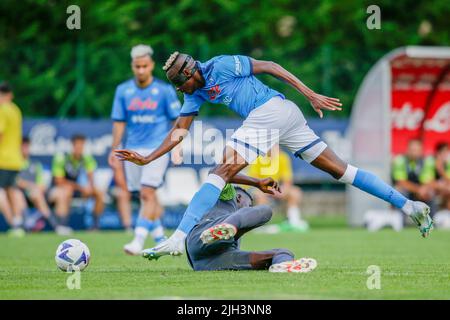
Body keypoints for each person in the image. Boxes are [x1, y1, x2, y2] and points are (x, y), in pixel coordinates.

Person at [116, 52, 433, 260]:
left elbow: (270, 67)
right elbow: (179, 130)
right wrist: (148, 158)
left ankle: (179, 237)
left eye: (180, 82)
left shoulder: (221, 65)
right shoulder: (194, 91)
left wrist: (308, 93)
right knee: (344, 172)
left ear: (191, 71)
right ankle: (410, 206)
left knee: (218, 172)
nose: (180, 89)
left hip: (271, 110)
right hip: (283, 116)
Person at [109, 44, 182, 255]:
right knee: (145, 196)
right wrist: (114, 149)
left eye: (144, 66)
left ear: (151, 66)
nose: (140, 70)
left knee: (147, 192)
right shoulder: (123, 91)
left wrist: (176, 148)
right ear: (132, 66)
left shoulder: (165, 91)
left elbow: (177, 122)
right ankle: (161, 238)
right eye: (137, 66)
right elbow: (119, 122)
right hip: (132, 150)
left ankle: (138, 240)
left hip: (157, 149)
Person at [178, 178, 316, 273]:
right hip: (201, 236)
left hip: (209, 262)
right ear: (239, 198)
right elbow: (220, 174)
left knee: (283, 252)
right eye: (249, 205)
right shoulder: (227, 196)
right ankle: (226, 227)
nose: (250, 208)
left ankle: (283, 264)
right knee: (265, 210)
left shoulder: (238, 222)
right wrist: (256, 182)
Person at [50, 134, 104, 234]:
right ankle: (61, 226)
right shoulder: (62, 157)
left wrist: (90, 187)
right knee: (66, 191)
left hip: (75, 189)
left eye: (82, 146)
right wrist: (81, 188)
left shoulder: (85, 157)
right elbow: (59, 181)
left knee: (99, 192)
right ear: (72, 145)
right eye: (77, 146)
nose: (79, 149)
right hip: (55, 191)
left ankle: (95, 226)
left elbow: (91, 175)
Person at [247, 145, 308, 232]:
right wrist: (269, 190)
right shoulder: (257, 158)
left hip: (276, 189)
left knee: (295, 192)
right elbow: (254, 180)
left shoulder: (283, 157)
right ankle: (260, 226)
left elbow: (287, 180)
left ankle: (293, 222)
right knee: (260, 195)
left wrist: (283, 190)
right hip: (259, 188)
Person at [15, 137, 59, 231]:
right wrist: (31, 186)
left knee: (36, 194)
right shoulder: (14, 164)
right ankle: (25, 225)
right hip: (19, 195)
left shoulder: (36, 164)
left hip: (34, 194)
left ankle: (55, 226)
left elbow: (41, 184)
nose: (25, 149)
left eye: (27, 146)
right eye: (23, 146)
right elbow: (16, 182)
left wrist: (33, 187)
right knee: (17, 194)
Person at [0, 81, 25, 236]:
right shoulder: (16, 109)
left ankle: (12, 223)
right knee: (12, 191)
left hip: (2, 158)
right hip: (16, 159)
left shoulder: (2, 109)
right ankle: (18, 223)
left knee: (1, 191)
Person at [392, 139, 436, 208]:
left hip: (420, 191)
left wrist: (424, 189)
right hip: (408, 190)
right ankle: (402, 218)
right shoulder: (400, 160)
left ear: (421, 151)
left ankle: (430, 217)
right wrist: (418, 190)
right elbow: (400, 182)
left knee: (431, 193)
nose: (414, 153)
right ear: (407, 150)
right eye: (412, 150)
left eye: (416, 150)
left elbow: (429, 180)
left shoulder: (426, 161)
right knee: (400, 193)